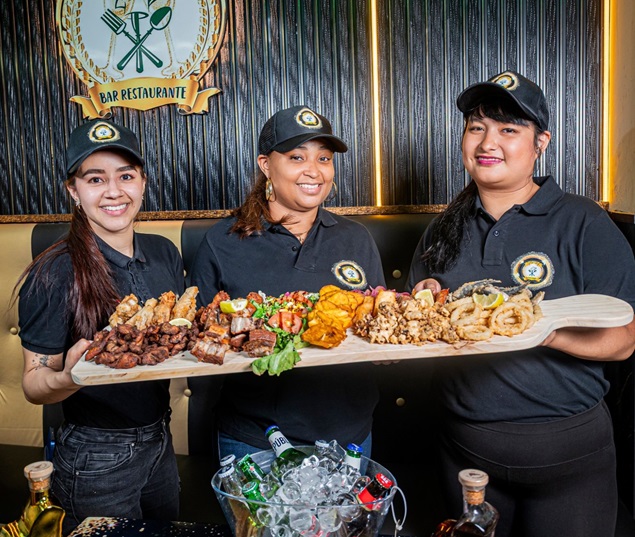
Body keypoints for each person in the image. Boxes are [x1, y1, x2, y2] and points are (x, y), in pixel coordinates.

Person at [407, 71, 635, 537]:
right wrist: (424, 307)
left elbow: (624, 340)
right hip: (465, 456)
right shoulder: (442, 228)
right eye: (476, 127)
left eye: (508, 129)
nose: (488, 142)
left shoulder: (583, 221)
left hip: (570, 460)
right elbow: (420, 333)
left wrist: (542, 332)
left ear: (540, 143)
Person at [14, 119, 184, 534]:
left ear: (142, 182)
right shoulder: (53, 272)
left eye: (125, 176)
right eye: (95, 179)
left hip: (161, 441)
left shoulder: (165, 252)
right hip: (96, 457)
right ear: (73, 190)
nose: (113, 191)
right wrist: (69, 377)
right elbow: (33, 384)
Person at [189, 105, 386, 460]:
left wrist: (388, 352)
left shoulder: (356, 238)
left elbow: (374, 329)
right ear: (266, 165)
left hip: (349, 436)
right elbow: (199, 340)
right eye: (297, 157)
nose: (314, 171)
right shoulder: (222, 241)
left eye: (324, 159)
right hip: (254, 439)